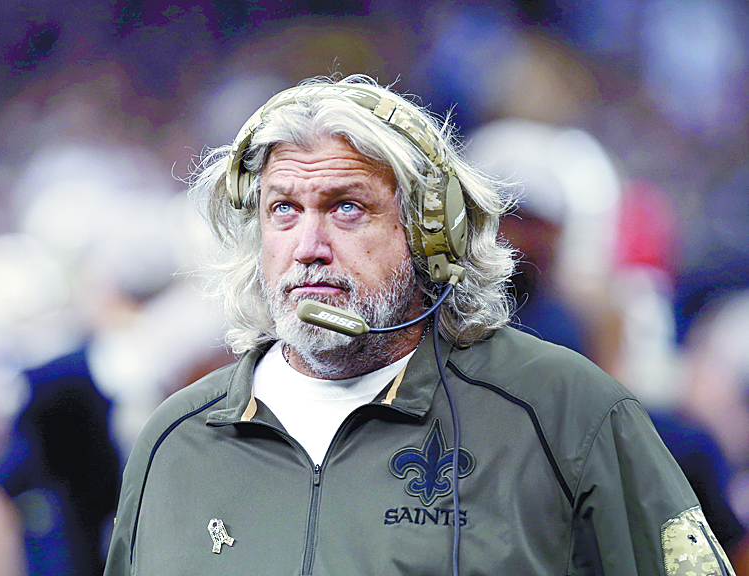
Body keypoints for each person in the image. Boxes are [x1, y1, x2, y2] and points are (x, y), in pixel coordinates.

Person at [103, 76, 735, 576]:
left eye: (347, 208)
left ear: (433, 237)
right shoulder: (174, 441)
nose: (308, 247)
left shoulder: (567, 411)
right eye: (284, 209)